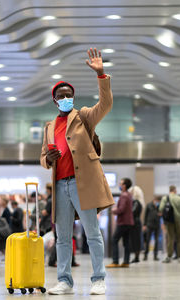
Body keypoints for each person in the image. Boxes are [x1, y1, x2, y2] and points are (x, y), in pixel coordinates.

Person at [40, 47, 114, 295]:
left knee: (92, 234)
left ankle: (98, 279)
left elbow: (105, 104)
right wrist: (47, 159)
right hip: (60, 185)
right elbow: (42, 158)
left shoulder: (83, 117)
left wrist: (101, 74)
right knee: (62, 237)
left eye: (69, 94)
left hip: (83, 184)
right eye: (61, 96)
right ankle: (64, 281)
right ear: (54, 99)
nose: (66, 98)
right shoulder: (49, 126)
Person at [106, 178, 134, 268]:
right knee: (126, 242)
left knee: (114, 240)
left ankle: (115, 261)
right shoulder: (129, 195)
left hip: (123, 222)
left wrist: (114, 210)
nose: (119, 185)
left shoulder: (124, 196)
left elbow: (121, 209)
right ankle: (126, 261)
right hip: (129, 222)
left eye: (120, 184)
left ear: (124, 186)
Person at [159, 185, 180, 263]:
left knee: (170, 238)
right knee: (179, 238)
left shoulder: (165, 198)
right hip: (178, 220)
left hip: (169, 220)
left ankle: (169, 257)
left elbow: (161, 208)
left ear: (169, 190)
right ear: (175, 190)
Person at [129, 185, 144, 263]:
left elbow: (132, 212)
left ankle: (136, 257)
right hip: (136, 223)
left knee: (136, 240)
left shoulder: (136, 202)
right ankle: (136, 257)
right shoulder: (139, 202)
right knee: (136, 240)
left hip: (135, 223)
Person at [143, 196, 161, 261]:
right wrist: (144, 224)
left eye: (158, 202)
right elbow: (145, 215)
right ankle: (145, 255)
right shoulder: (149, 205)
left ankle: (155, 255)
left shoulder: (160, 206)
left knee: (156, 240)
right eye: (157, 201)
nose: (157, 202)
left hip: (157, 225)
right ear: (154, 200)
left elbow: (162, 214)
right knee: (148, 240)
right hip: (149, 224)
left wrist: (160, 214)